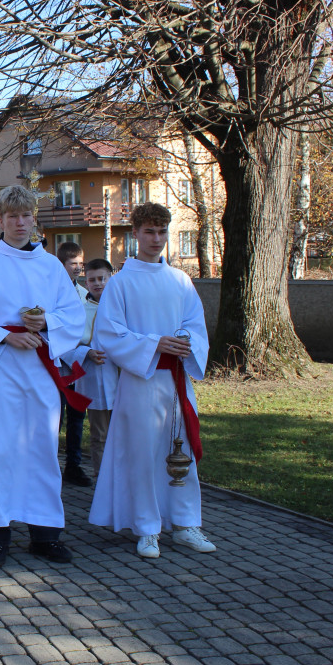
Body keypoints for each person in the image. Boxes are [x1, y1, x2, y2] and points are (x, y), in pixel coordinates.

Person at [0, 186, 87, 568]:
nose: (19, 222)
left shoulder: (52, 267)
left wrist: (46, 323)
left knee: (40, 449)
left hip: (41, 373)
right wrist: (5, 336)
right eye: (12, 216)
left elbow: (73, 315)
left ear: (33, 218)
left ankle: (45, 535)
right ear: (0, 220)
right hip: (3, 372)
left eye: (25, 215)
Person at [88, 202, 215, 559]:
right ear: (135, 234)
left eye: (161, 232)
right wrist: (154, 343)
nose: (156, 239)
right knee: (143, 455)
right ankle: (147, 527)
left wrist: (185, 342)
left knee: (179, 451)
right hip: (140, 380)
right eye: (149, 232)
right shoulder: (121, 283)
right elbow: (109, 333)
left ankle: (186, 523)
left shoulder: (180, 280)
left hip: (176, 380)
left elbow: (195, 325)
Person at [69, 258, 118, 477]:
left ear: (111, 278)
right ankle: (102, 481)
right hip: (95, 379)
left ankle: (124, 481)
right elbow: (67, 346)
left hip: (122, 379)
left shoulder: (121, 308)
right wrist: (86, 353)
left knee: (125, 433)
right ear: (86, 282)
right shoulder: (80, 311)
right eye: (92, 280)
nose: (98, 283)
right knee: (100, 434)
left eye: (102, 279)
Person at [55, 240, 93, 487]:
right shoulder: (52, 291)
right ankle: (49, 464)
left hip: (79, 363)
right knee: (55, 417)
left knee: (77, 417)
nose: (78, 268)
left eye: (81, 263)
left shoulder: (83, 294)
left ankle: (73, 465)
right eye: (73, 264)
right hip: (58, 362)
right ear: (62, 264)